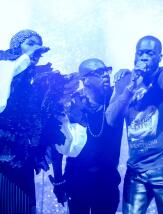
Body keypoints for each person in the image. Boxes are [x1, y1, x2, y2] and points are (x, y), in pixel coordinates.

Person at [0, 29, 78, 214]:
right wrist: (24, 60)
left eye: (39, 44)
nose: (36, 48)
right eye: (30, 43)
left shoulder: (43, 81)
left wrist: (59, 178)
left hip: (22, 157)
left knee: (19, 206)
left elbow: (53, 129)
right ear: (15, 46)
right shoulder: (0, 65)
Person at [109, 12, 163, 213]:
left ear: (160, 57)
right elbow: (112, 119)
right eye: (141, 52)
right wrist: (130, 88)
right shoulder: (126, 82)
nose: (145, 56)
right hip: (136, 169)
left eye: (150, 53)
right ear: (134, 55)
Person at [50, 58, 125, 214]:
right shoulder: (71, 104)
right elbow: (56, 142)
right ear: (84, 80)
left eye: (106, 70)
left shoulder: (116, 98)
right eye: (98, 73)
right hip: (77, 180)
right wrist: (58, 180)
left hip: (107, 181)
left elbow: (134, 87)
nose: (105, 75)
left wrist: (127, 74)